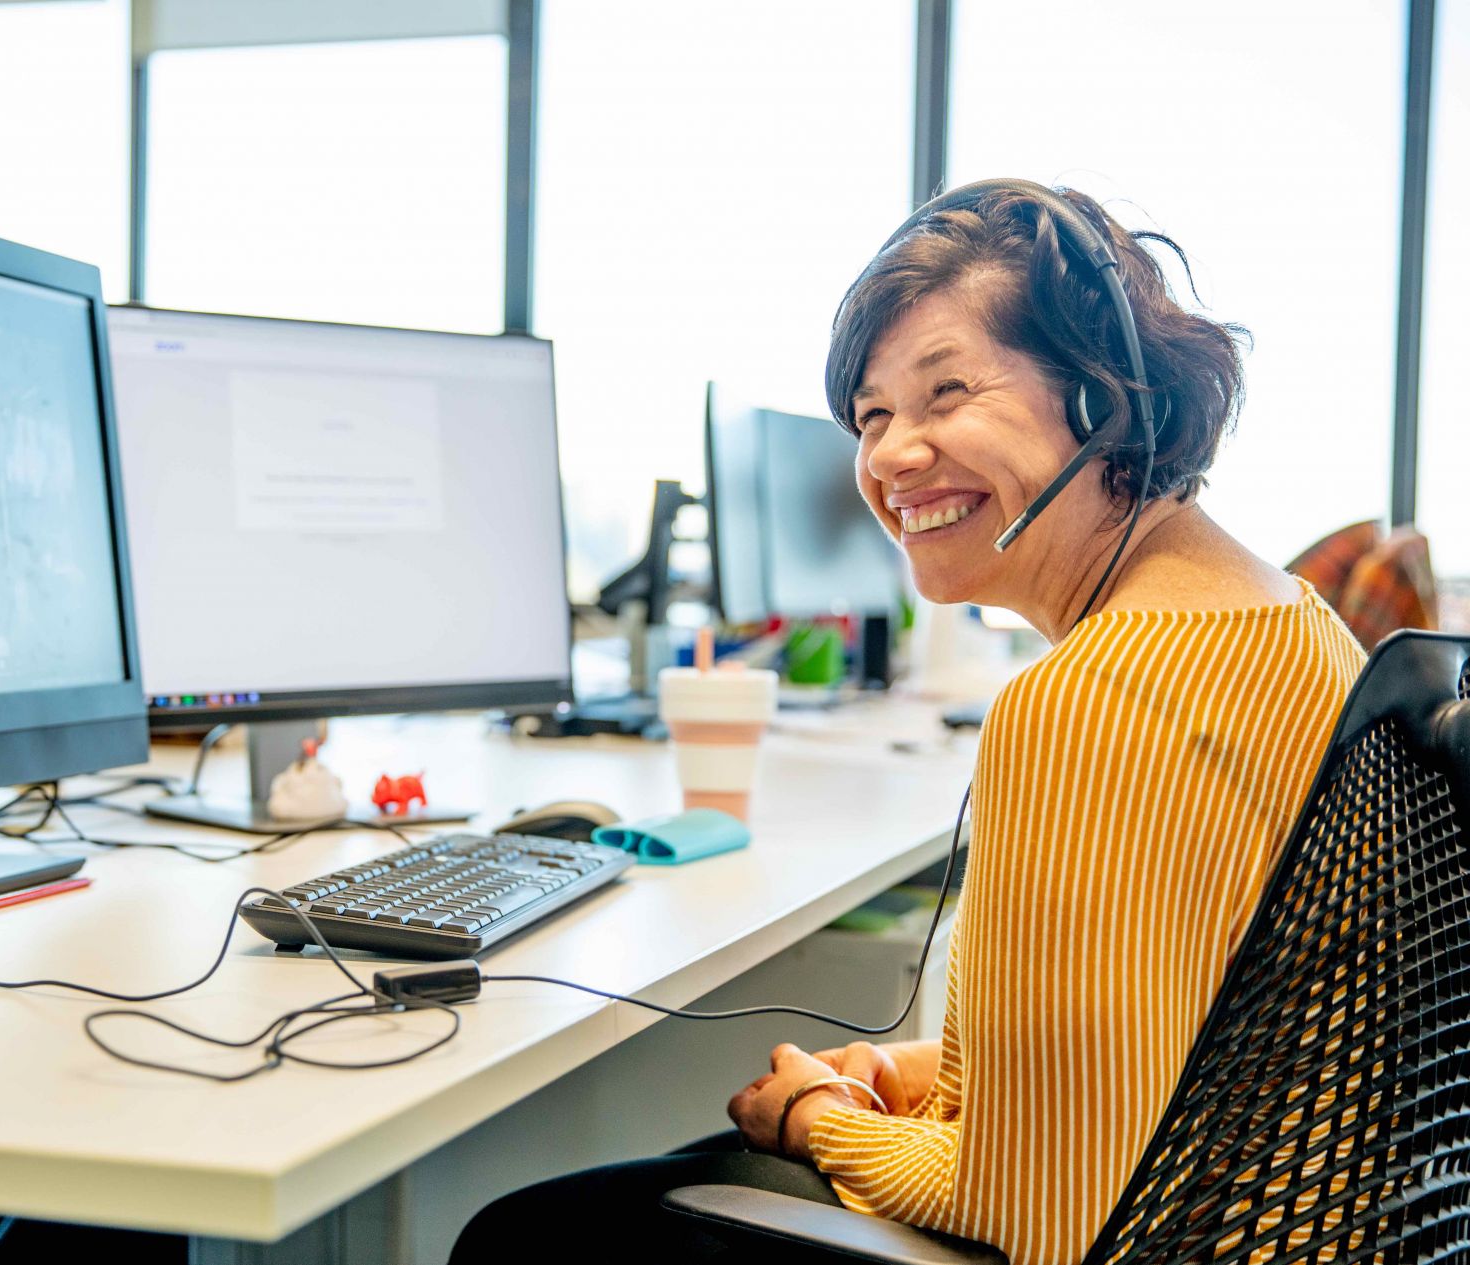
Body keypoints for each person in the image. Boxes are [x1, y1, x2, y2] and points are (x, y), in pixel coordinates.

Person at [449, 184, 1366, 1265]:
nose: (890, 456)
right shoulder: (1288, 620)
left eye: (947, 392)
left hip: (1172, 1235)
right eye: (874, 415)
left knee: (523, 1236)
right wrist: (910, 1074)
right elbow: (1175, 1030)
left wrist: (814, 1117)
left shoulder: (1100, 693)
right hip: (1279, 1212)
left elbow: (1046, 1210)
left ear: (1104, 399)